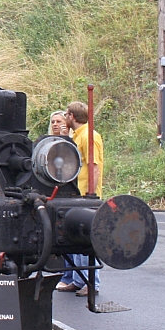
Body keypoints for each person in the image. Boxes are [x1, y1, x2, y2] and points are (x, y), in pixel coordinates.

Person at [55, 101, 104, 296]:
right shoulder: (77, 135)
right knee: (73, 236)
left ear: (72, 116)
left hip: (85, 194)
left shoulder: (89, 136)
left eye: (66, 114)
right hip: (75, 193)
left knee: (85, 239)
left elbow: (94, 167)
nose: (64, 118)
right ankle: (76, 280)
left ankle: (91, 283)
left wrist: (89, 194)